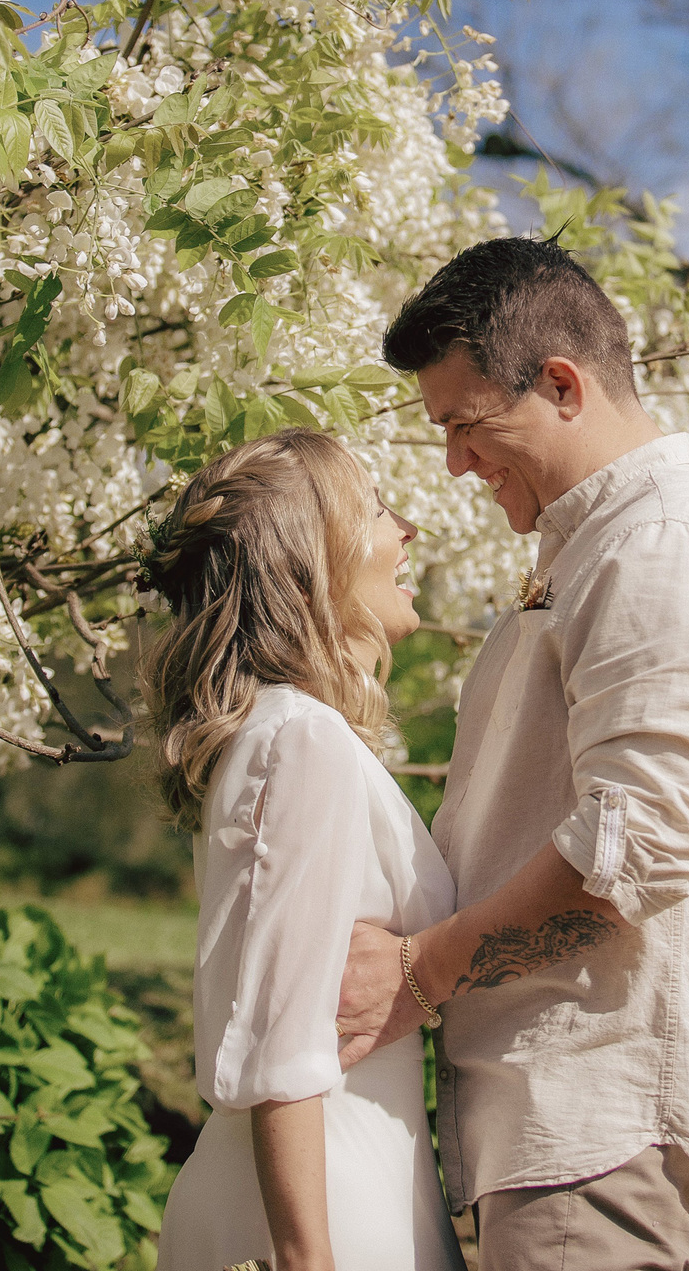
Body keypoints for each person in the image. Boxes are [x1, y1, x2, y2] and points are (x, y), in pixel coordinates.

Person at [335, 237, 689, 1271]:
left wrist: (417, 976)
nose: (456, 464)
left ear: (563, 386)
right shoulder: (607, 547)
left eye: (467, 425)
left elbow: (632, 852)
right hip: (571, 1107)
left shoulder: (665, 551)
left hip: (605, 1111)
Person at [147, 430, 465, 1271]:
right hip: (320, 1207)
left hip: (344, 1184)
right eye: (376, 511)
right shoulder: (298, 739)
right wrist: (306, 1255)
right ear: (312, 560)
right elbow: (279, 1037)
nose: (408, 530)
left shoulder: (275, 734)